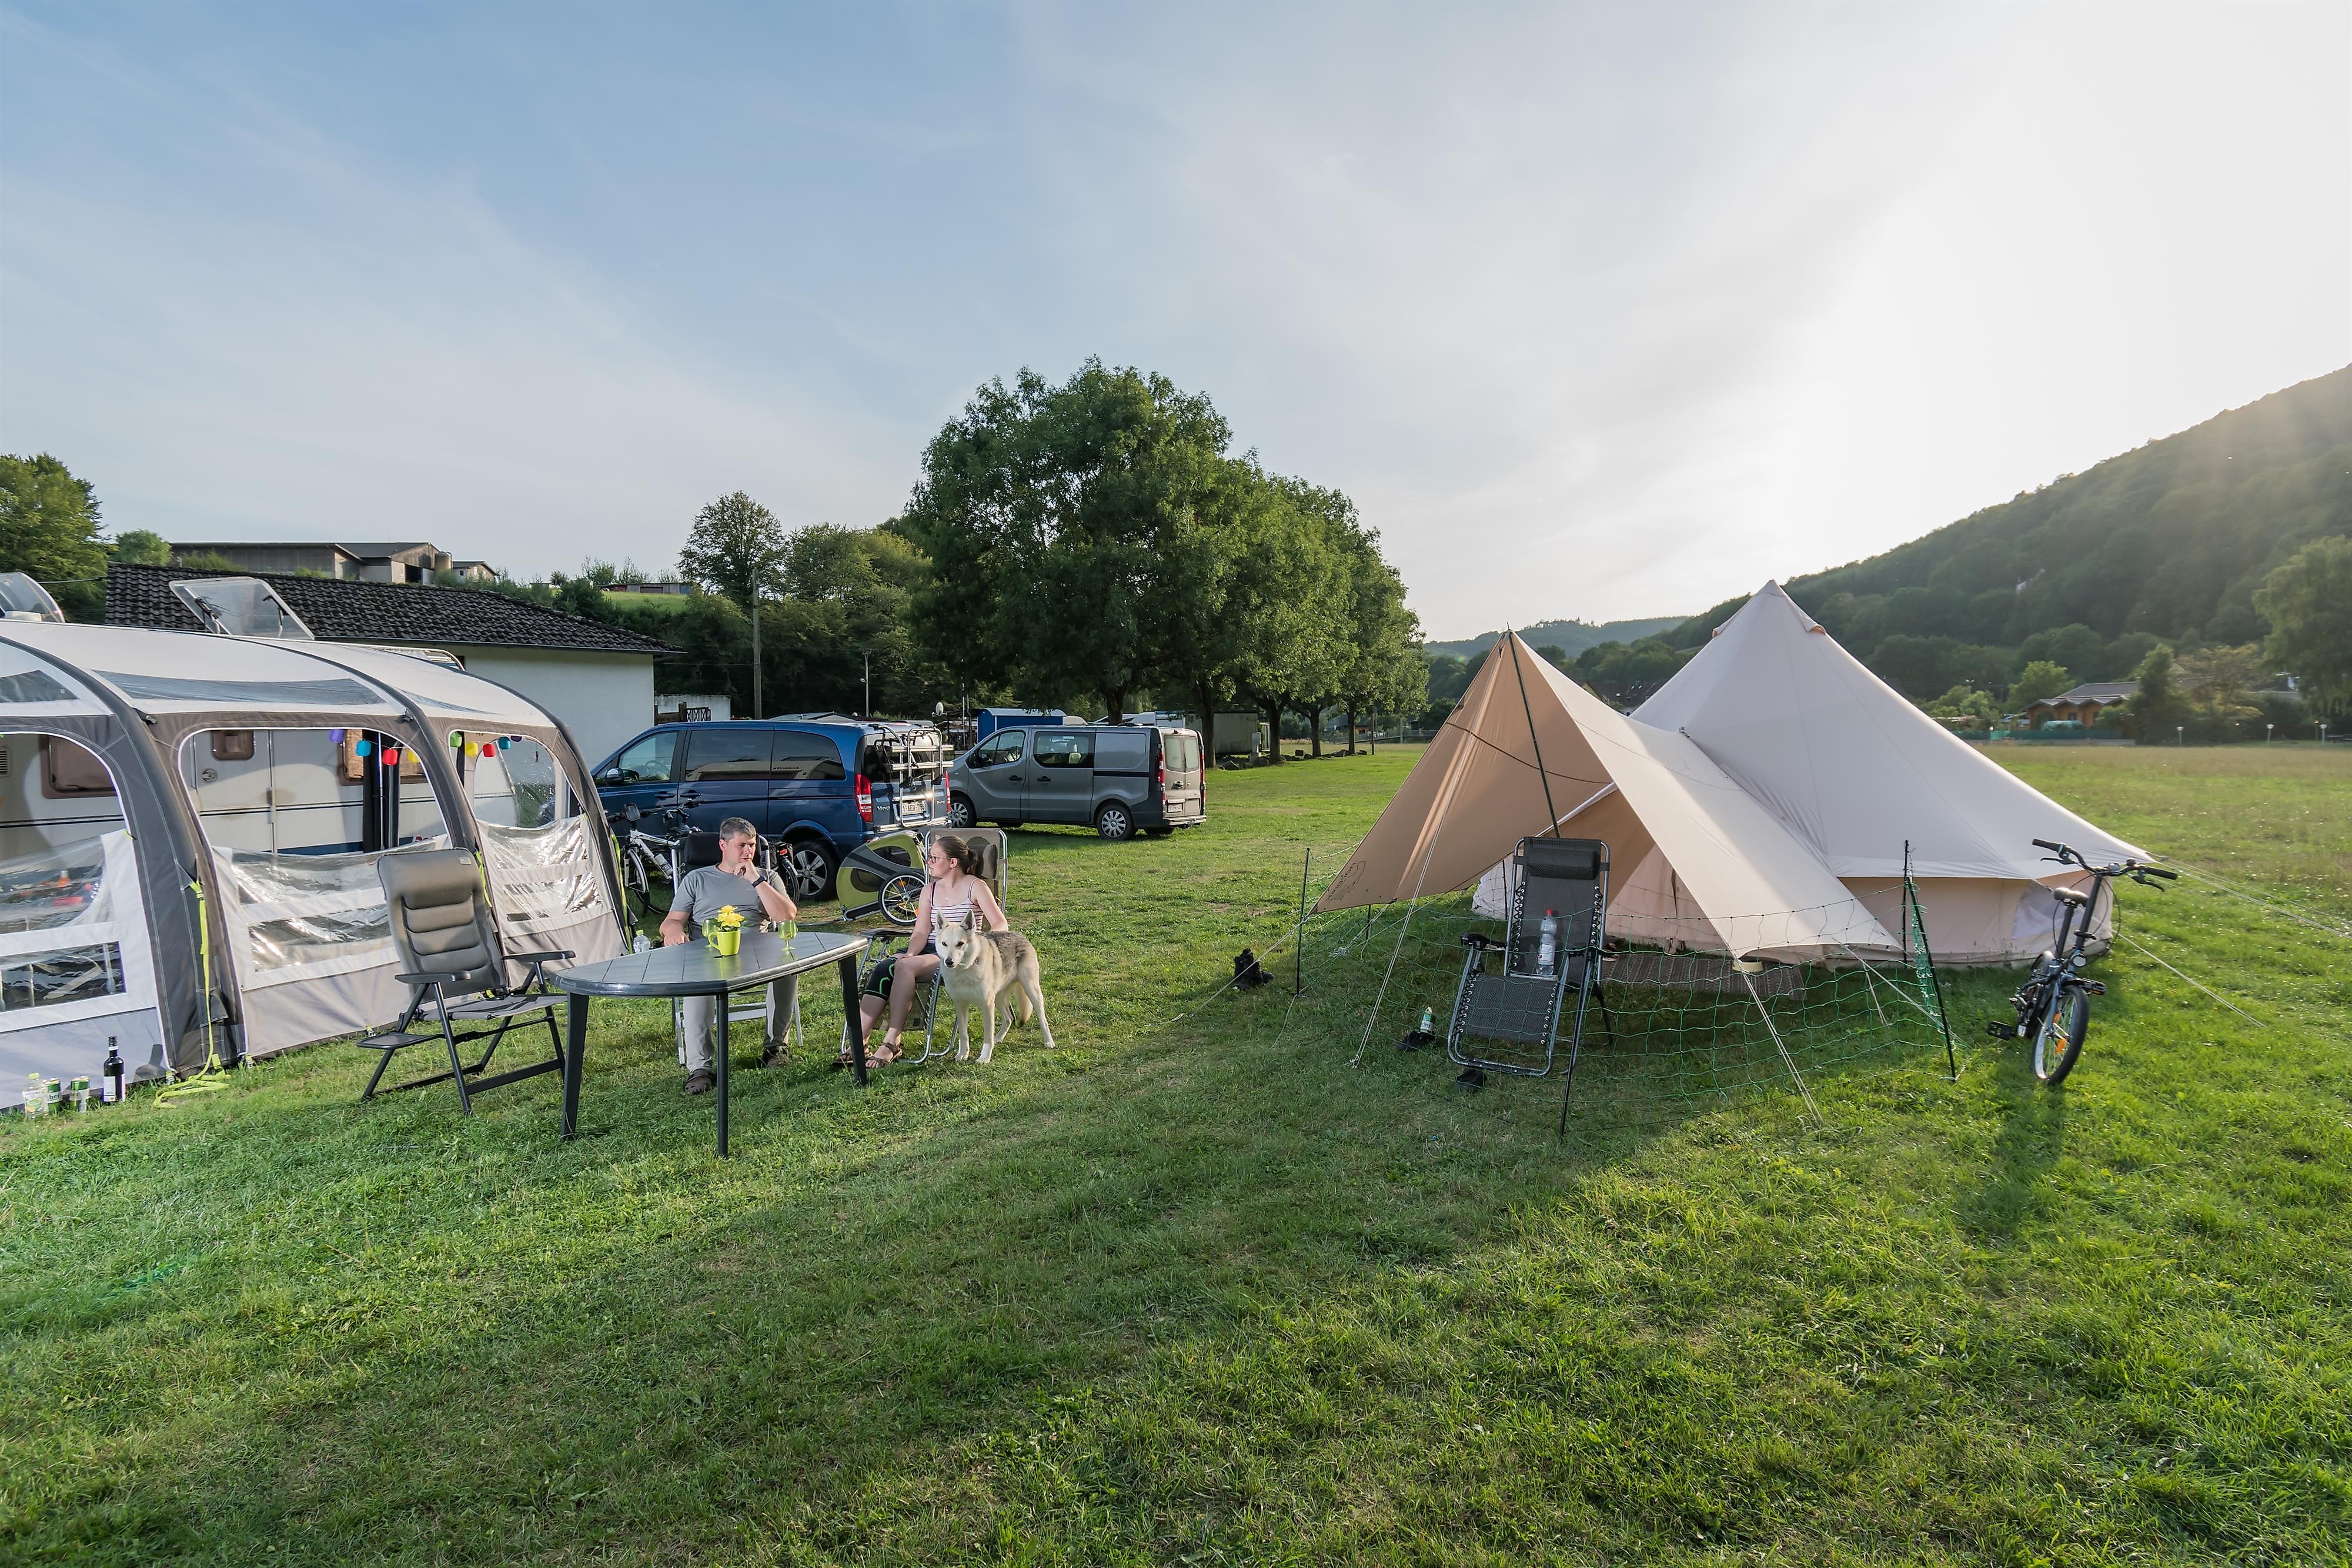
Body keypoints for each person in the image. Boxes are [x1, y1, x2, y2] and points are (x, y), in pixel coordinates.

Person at [662, 817, 798, 1094]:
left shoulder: (767, 878)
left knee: (787, 970)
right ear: (723, 845)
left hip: (757, 953)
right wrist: (674, 930)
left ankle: (775, 1048)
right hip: (708, 954)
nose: (748, 851)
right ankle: (700, 1067)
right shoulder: (697, 879)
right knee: (697, 984)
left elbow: (787, 916)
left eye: (753, 845)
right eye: (741, 845)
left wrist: (755, 879)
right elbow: (671, 921)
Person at [857, 832, 1007, 1064]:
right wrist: (910, 953)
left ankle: (891, 1042)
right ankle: (859, 1042)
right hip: (929, 948)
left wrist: (980, 949)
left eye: (935, 858)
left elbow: (1000, 924)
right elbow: (920, 932)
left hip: (955, 955)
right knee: (885, 967)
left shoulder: (976, 887)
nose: (929, 862)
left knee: (905, 968)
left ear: (953, 862)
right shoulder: (930, 891)